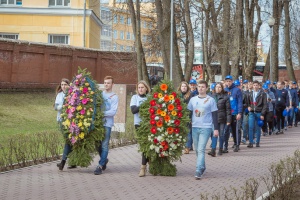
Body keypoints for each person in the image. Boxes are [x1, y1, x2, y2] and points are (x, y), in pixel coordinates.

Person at [187, 80, 219, 179]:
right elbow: (189, 113)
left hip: (206, 127)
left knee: (201, 149)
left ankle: (199, 169)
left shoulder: (211, 100)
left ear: (206, 88)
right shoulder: (193, 99)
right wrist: (187, 124)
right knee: (197, 149)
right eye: (199, 86)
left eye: (202, 87)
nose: (200, 88)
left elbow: (214, 115)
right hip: (195, 127)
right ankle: (203, 166)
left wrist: (216, 129)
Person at [94, 76, 119, 175]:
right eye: (105, 82)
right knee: (97, 144)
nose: (106, 84)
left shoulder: (114, 97)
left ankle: (100, 166)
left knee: (104, 145)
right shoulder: (100, 94)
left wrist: (101, 113)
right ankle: (104, 160)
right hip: (98, 124)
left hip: (107, 124)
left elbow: (112, 112)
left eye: (108, 83)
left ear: (112, 84)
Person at [130, 80, 151, 177]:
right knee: (143, 145)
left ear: (146, 88)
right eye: (139, 87)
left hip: (149, 124)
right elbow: (134, 110)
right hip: (138, 124)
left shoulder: (150, 98)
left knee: (148, 145)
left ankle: (145, 166)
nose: (140, 89)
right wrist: (144, 105)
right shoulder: (135, 97)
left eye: (142, 87)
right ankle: (144, 166)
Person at [208, 83, 231, 156]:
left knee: (221, 134)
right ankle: (213, 149)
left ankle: (221, 148)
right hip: (213, 118)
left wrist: (228, 120)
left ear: (222, 88)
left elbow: (228, 110)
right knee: (214, 134)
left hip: (222, 118)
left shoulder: (225, 97)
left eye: (219, 87)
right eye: (216, 87)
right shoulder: (211, 97)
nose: (218, 88)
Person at [55, 78, 73, 171]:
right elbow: (56, 107)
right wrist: (64, 106)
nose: (63, 86)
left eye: (65, 84)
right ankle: (65, 161)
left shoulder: (73, 94)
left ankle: (66, 162)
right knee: (68, 140)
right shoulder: (59, 95)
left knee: (71, 141)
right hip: (62, 120)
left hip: (72, 121)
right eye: (62, 85)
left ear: (69, 85)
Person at [224, 75, 243, 152]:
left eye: (229, 81)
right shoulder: (224, 90)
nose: (228, 83)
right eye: (227, 81)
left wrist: (239, 113)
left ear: (232, 81)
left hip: (234, 113)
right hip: (226, 114)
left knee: (235, 130)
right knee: (226, 130)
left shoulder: (237, 90)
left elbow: (239, 102)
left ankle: (237, 144)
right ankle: (225, 146)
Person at [246, 81, 267, 148]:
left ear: (259, 86)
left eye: (256, 85)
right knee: (251, 127)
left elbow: (265, 105)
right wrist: (248, 107)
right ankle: (251, 142)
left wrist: (262, 114)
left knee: (258, 128)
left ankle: (257, 142)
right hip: (252, 112)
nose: (255, 86)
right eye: (254, 85)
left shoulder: (262, 94)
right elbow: (248, 103)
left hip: (259, 112)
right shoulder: (250, 93)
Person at [177, 81, 193, 154]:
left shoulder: (190, 95)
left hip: (187, 115)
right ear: (180, 87)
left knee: (188, 132)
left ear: (187, 88)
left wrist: (191, 117)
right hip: (179, 116)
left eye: (185, 86)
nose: (184, 87)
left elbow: (192, 107)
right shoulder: (178, 95)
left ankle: (187, 147)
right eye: (182, 86)